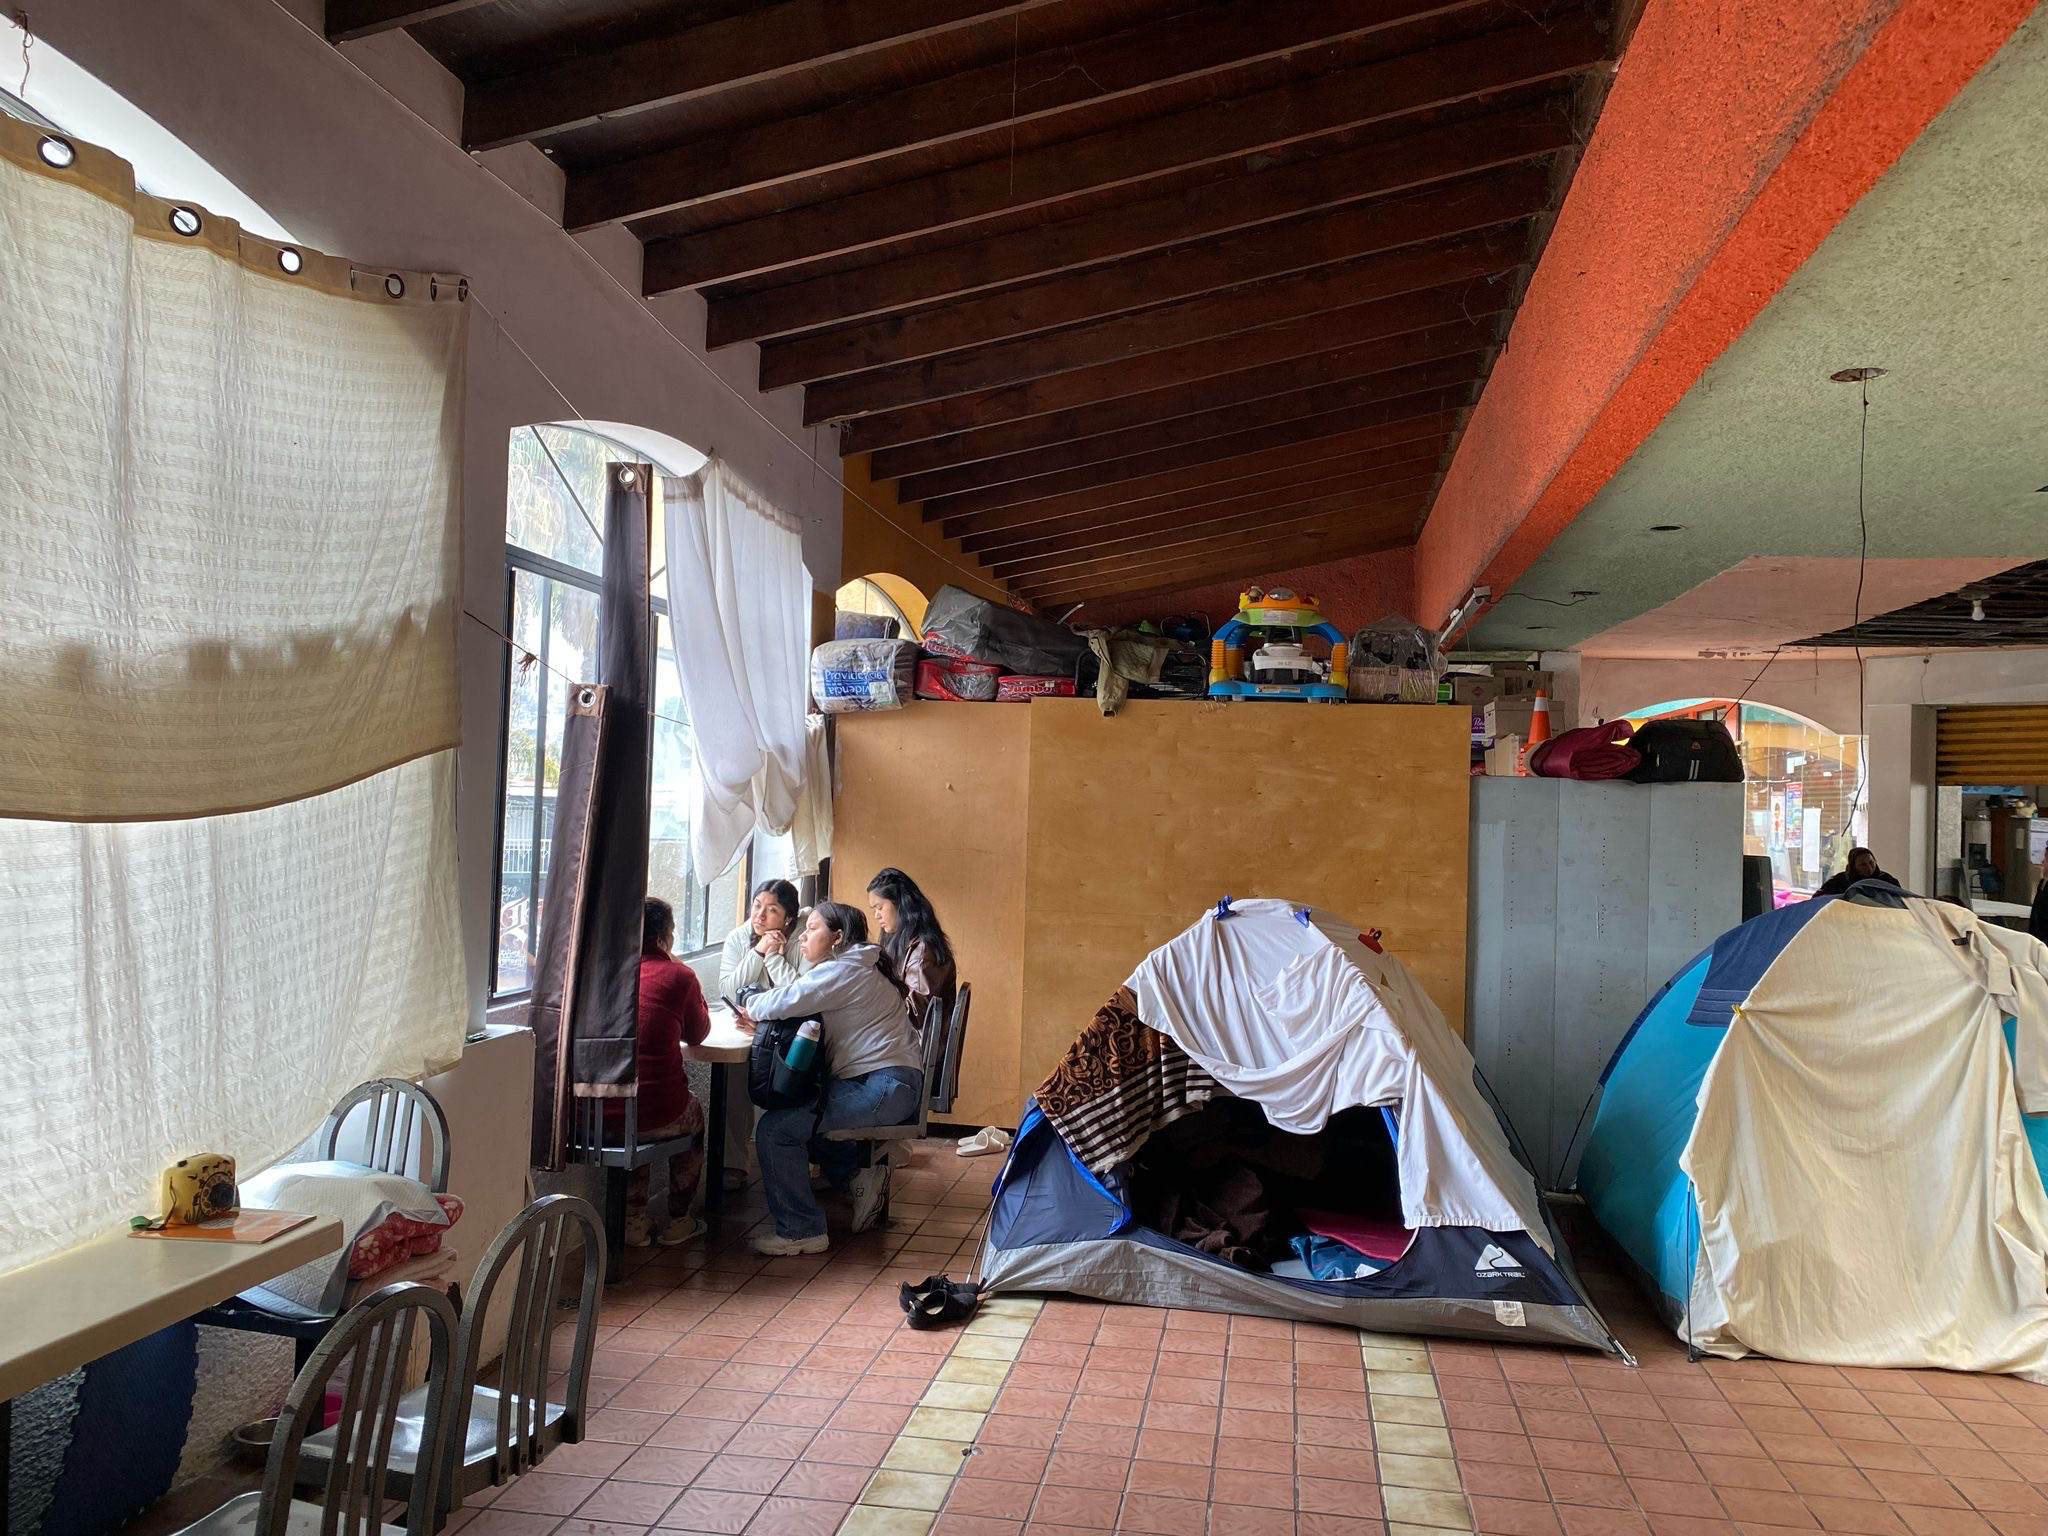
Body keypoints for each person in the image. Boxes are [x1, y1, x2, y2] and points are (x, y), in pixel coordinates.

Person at [736, 902, 923, 1256]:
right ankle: (857, 1177)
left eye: (814, 928)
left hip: (883, 1086)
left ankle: (801, 1229)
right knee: (802, 1109)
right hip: (889, 1085)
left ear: (837, 937)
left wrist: (752, 1008)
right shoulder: (853, 967)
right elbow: (800, 997)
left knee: (776, 1129)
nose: (804, 935)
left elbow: (789, 998)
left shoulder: (844, 971)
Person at [618, 897, 710, 1248]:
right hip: (657, 1110)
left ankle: (633, 1222)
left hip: (593, 1111)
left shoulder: (606, 973)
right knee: (690, 1115)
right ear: (664, 937)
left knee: (632, 1120)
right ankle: (678, 1219)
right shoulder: (679, 976)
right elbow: (698, 1033)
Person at [716, 879, 805, 1188]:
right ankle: (732, 1164)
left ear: (789, 917)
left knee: (795, 1080)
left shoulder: (802, 939)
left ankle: (802, 1161)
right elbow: (727, 989)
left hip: (789, 1031)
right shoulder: (739, 937)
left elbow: (802, 993)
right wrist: (757, 951)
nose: (760, 915)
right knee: (732, 1078)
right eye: (756, 906)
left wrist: (773, 957)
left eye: (771, 909)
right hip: (747, 1029)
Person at [866, 867, 957, 1031]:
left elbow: (915, 1014)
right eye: (874, 910)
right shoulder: (904, 941)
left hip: (916, 1047)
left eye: (880, 907)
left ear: (900, 904)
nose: (876, 915)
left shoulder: (923, 950)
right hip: (906, 1040)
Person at [1815, 846, 1899, 897]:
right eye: (1863, 865)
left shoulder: (1886, 880)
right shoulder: (1839, 881)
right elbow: (1818, 899)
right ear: (1853, 867)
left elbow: (1901, 899)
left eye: (1871, 862)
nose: (1869, 868)